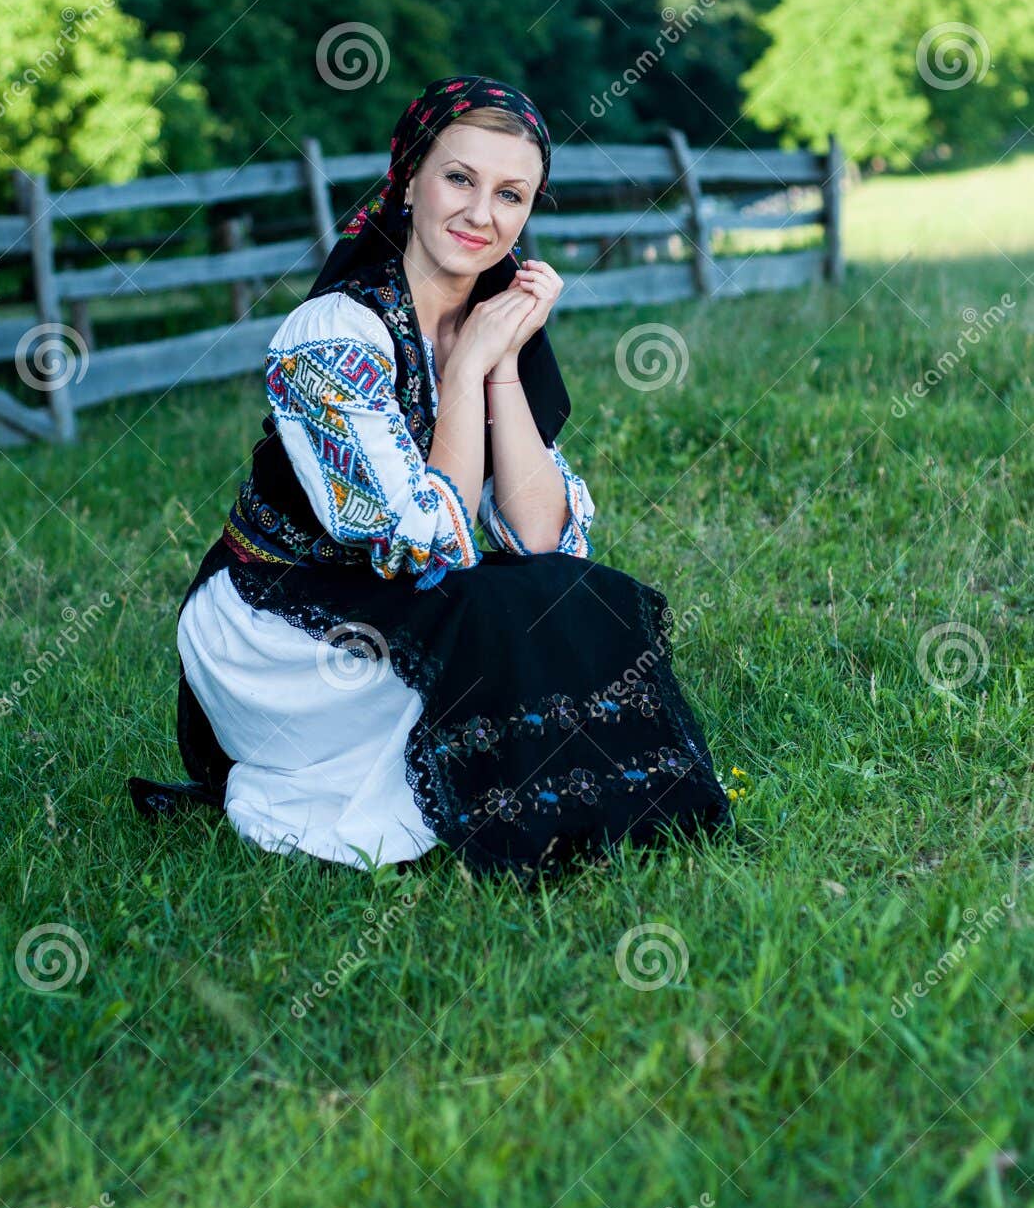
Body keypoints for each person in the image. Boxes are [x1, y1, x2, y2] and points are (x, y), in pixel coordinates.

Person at [127, 75, 733, 879]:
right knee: (491, 609)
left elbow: (543, 536)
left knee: (579, 594)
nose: (482, 215)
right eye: (459, 178)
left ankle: (572, 806)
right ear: (408, 179)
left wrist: (501, 362)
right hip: (276, 626)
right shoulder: (332, 334)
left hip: (401, 608)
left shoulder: (487, 319)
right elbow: (429, 546)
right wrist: (468, 368)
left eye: (511, 194)